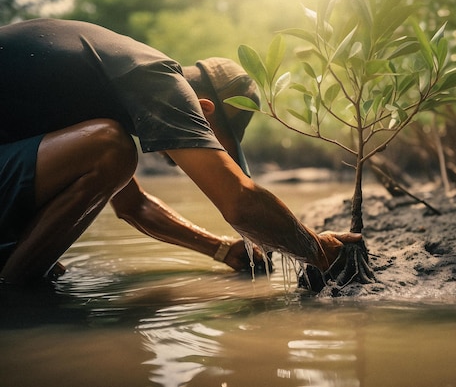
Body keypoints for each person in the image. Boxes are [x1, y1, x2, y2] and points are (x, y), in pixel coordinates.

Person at [0, 18, 360, 285]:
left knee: (48, 252)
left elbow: (133, 206)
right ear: (202, 109)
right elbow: (239, 202)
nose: (211, 149)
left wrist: (222, 250)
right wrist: (318, 250)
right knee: (111, 149)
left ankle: (17, 276)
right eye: (212, 140)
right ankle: (14, 296)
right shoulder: (158, 79)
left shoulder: (108, 85)